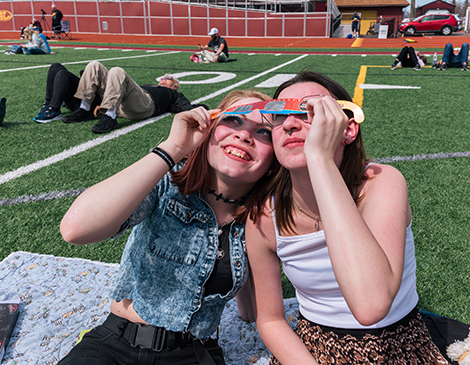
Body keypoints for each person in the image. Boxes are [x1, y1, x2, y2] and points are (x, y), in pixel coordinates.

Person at [58, 88, 277, 364]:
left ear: (273, 161)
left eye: (263, 132)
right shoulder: (168, 182)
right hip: (116, 344)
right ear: (210, 129)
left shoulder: (261, 220)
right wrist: (172, 148)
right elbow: (75, 228)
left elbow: (251, 310)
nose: (244, 134)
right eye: (233, 119)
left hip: (194, 353)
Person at [246, 70, 450, 364]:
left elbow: (371, 305)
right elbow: (270, 320)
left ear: (348, 130)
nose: (289, 123)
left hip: (397, 345)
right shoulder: (265, 216)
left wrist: (320, 158)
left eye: (309, 111)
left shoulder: (381, 183)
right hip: (312, 349)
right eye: (278, 115)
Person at [63, 61, 207, 133]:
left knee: (117, 71)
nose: (163, 78)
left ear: (175, 85)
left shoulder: (174, 93)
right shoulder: (149, 85)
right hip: (125, 104)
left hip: (146, 105)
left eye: (168, 78)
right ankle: (84, 109)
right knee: (94, 65)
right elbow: (117, 88)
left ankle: (110, 118)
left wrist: (200, 108)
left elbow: (187, 107)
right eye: (163, 77)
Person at [34, 63, 102, 123]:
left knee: (63, 74)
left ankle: (54, 108)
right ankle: (49, 104)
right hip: (85, 96)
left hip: (92, 102)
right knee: (55, 66)